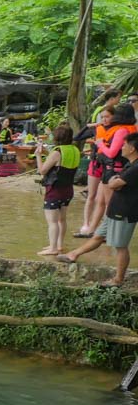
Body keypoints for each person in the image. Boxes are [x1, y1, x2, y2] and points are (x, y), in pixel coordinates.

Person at [58, 132, 138, 286]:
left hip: (124, 212)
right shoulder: (130, 165)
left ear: (132, 148)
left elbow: (113, 184)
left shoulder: (135, 168)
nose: (122, 147)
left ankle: (118, 279)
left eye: (124, 144)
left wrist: (113, 179)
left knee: (120, 246)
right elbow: (115, 181)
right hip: (115, 210)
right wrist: (114, 179)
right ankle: (73, 254)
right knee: (98, 236)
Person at [83, 104, 137, 237]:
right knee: (100, 200)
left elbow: (112, 153)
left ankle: (106, 233)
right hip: (116, 168)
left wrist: (100, 143)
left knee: (109, 203)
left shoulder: (121, 130)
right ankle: (92, 231)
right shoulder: (132, 129)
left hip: (113, 169)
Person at [36, 125, 80, 256]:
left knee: (52, 221)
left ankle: (53, 248)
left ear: (57, 137)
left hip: (54, 190)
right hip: (68, 189)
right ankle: (59, 244)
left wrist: (38, 155)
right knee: (62, 219)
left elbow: (42, 171)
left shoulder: (57, 151)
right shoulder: (75, 150)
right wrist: (46, 153)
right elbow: (59, 162)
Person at [76, 106, 114, 237]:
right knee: (91, 195)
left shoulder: (118, 130)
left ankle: (103, 226)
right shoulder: (97, 128)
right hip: (95, 163)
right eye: (102, 117)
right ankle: (86, 224)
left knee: (103, 199)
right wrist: (90, 125)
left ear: (114, 117)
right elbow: (78, 137)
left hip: (108, 165)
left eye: (107, 116)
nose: (104, 119)